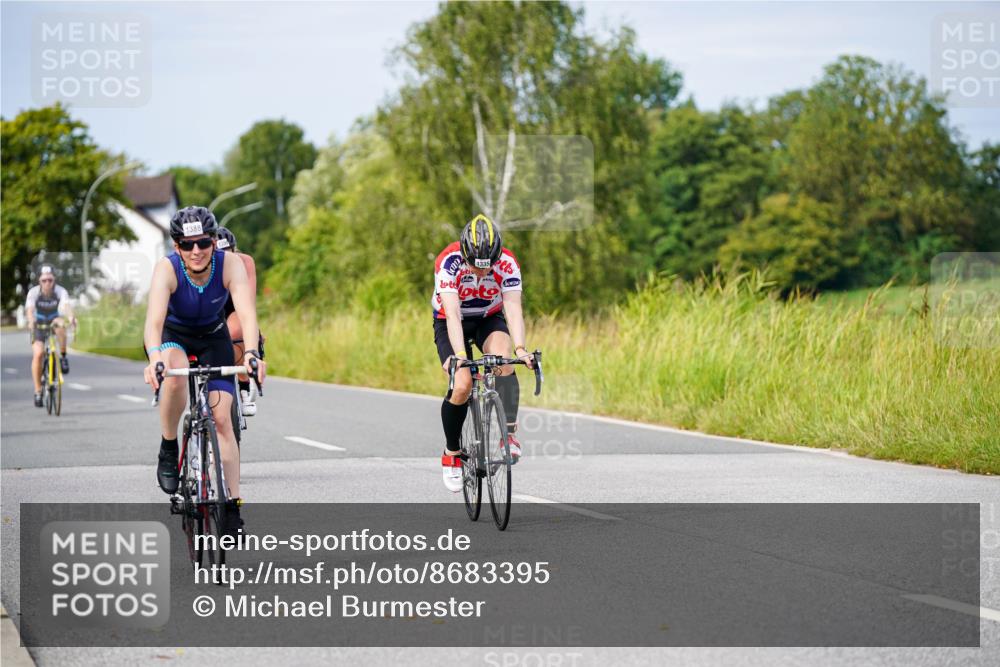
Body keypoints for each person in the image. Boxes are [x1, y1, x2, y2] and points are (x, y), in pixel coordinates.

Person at [142, 206, 266, 535]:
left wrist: (252, 354)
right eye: (186, 245)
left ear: (213, 241)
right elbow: (153, 323)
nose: (195, 251)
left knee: (223, 418)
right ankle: (169, 447)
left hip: (213, 337)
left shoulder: (231, 265)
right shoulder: (166, 270)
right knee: (175, 373)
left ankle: (231, 507)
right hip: (173, 338)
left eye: (202, 243)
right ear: (176, 247)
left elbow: (247, 315)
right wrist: (154, 356)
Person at [432, 213, 534, 492]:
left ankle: (508, 436)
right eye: (475, 267)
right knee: (462, 384)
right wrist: (460, 358)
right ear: (464, 253)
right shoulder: (449, 262)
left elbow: (513, 308)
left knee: (504, 361)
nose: (481, 273)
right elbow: (452, 314)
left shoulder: (507, 263)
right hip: (452, 321)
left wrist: (521, 348)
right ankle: (452, 453)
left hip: (488, 317)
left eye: (487, 267)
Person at [215, 226, 263, 416]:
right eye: (220, 254)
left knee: (234, 332)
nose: (225, 258)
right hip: (211, 309)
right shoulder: (203, 264)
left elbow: (247, 304)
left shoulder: (245, 262)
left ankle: (243, 384)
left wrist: (255, 331)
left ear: (235, 250)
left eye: (229, 253)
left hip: (234, 305)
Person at [25, 265, 76, 407]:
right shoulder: (33, 292)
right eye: (44, 280)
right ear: (39, 281)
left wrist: (71, 317)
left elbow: (66, 306)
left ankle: (64, 356)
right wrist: (31, 320)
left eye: (50, 280)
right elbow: (30, 309)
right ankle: (37, 391)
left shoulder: (60, 291)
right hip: (38, 323)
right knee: (39, 353)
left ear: (54, 280)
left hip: (53, 319)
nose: (47, 283)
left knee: (60, 325)